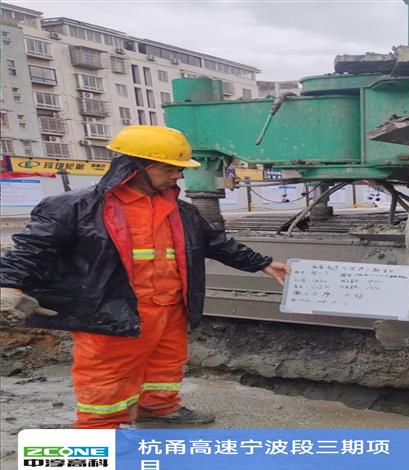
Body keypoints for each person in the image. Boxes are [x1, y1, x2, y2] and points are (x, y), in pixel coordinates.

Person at [0, 125, 290, 429]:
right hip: (113, 309)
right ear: (135, 166)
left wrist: (263, 264)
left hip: (170, 307)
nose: (177, 176)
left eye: (179, 170)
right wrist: (8, 284)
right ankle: (98, 432)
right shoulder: (75, 207)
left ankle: (158, 408)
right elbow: (33, 248)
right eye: (169, 169)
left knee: (165, 365)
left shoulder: (180, 210)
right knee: (107, 377)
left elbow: (216, 243)